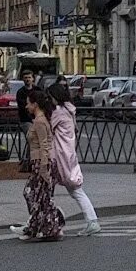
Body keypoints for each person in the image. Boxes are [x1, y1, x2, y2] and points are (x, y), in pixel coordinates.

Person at [48, 80, 100, 236]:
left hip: (60, 154)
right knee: (74, 191)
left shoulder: (58, 112)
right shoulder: (70, 110)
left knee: (50, 189)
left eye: (50, 96)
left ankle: (49, 219)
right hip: (69, 153)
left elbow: (48, 128)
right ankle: (91, 220)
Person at [12, 88, 63, 242]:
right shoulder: (41, 119)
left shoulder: (40, 121)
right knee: (41, 197)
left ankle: (46, 225)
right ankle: (44, 227)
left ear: (35, 104)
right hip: (40, 162)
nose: (26, 106)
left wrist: (43, 167)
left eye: (28, 104)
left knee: (34, 194)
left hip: (41, 162)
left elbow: (45, 145)